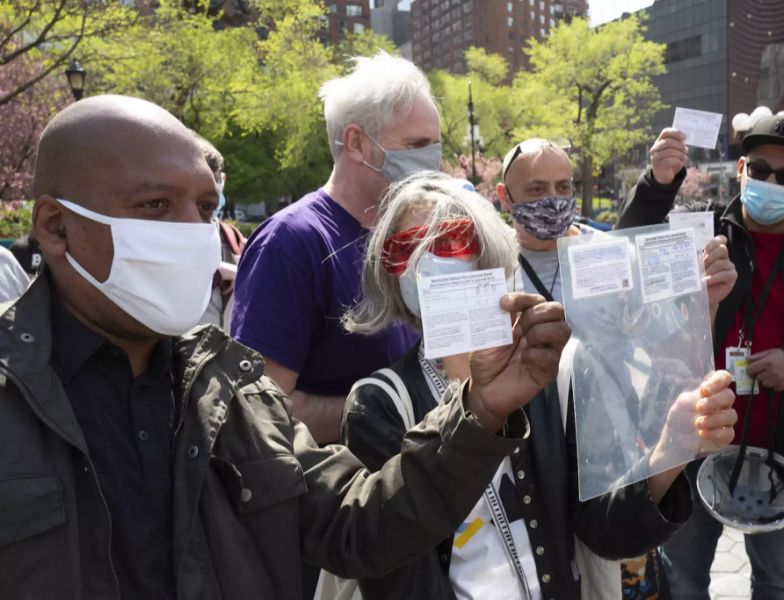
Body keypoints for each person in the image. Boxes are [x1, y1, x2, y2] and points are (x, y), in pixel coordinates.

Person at [0, 94, 573, 598]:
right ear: (54, 227)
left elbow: (358, 526)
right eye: (155, 206)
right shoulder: (17, 398)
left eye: (204, 209)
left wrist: (478, 411)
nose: (192, 232)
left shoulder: (227, 392)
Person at [339, 172, 739, 599]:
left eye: (451, 239)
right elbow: (395, 574)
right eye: (406, 249)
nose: (428, 260)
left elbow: (604, 534)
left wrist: (667, 455)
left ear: (486, 252)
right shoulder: (379, 403)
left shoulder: (553, 373)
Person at [620, 113, 784, 599]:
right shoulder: (698, 232)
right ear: (740, 168)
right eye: (759, 169)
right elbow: (626, 249)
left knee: (779, 580)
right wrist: (657, 184)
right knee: (682, 578)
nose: (770, 183)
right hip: (691, 446)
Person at [495, 134, 737, 599]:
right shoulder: (489, 266)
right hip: (526, 463)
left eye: (564, 187)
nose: (554, 200)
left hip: (613, 456)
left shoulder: (610, 253)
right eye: (536, 190)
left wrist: (704, 305)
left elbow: (674, 356)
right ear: (505, 196)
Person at [231, 51, 441, 446]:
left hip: (418, 491)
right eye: (417, 144)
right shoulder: (292, 241)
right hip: (338, 498)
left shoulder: (417, 237)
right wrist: (395, 407)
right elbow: (260, 409)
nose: (432, 160)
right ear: (357, 142)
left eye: (435, 145)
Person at [192, 134, 245, 331]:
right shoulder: (165, 239)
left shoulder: (236, 241)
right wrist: (211, 269)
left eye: (214, 182)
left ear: (222, 180)